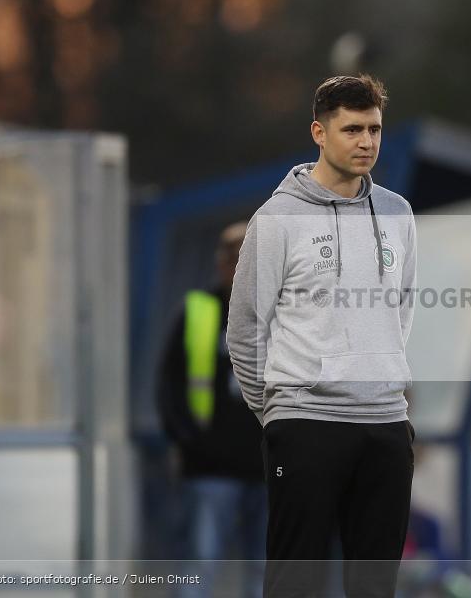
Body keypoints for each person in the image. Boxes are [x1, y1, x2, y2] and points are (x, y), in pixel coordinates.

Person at [227, 74, 417, 598]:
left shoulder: (399, 214)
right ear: (319, 132)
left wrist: (376, 374)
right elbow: (245, 328)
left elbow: (400, 308)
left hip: (385, 424)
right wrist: (276, 407)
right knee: (295, 583)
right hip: (305, 422)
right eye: (352, 129)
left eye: (375, 130)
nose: (367, 142)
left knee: (376, 586)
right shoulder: (277, 218)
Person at [157, 222, 266, 598]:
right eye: (234, 258)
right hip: (209, 471)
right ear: (220, 263)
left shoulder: (290, 316)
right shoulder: (198, 311)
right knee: (198, 565)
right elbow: (170, 387)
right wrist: (189, 442)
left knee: (267, 570)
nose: (241, 268)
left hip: (273, 471)